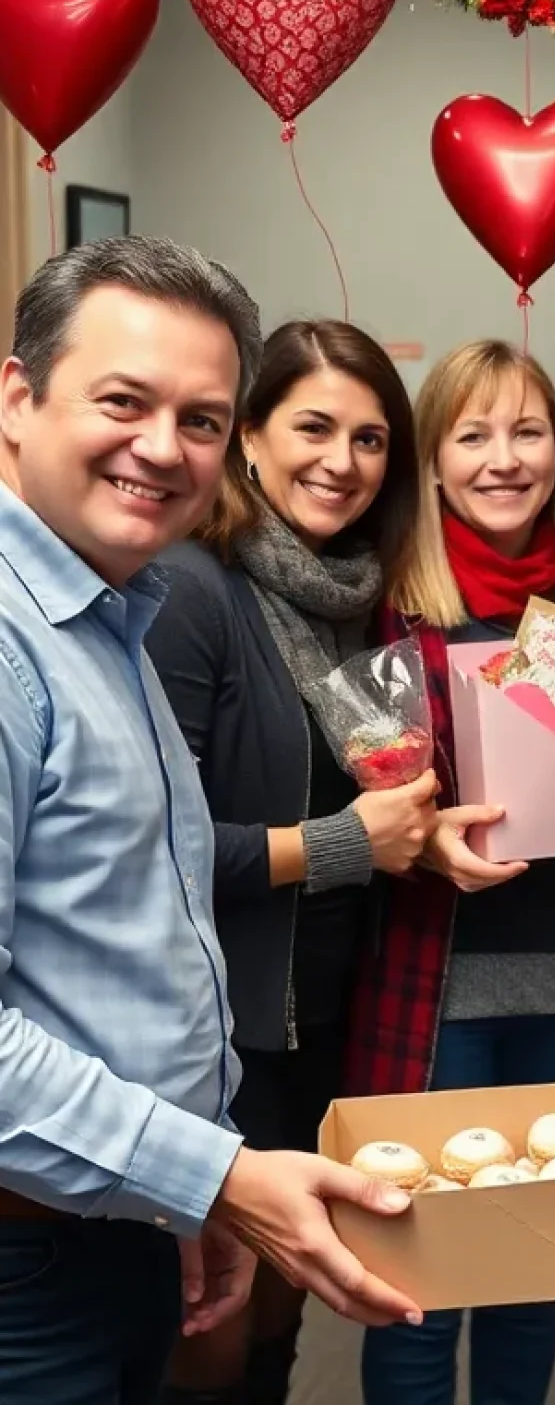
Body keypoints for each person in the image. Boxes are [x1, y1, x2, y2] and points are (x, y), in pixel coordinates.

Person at [0, 238, 422, 1405]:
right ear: (18, 399)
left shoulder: (114, 616)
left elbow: (145, 929)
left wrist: (190, 1178)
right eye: (124, 402)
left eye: (197, 417)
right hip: (26, 1260)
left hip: (124, 1214)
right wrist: (214, 1175)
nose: (161, 448)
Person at [349, 340, 555, 1405]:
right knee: (422, 1275)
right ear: (435, 461)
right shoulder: (395, 598)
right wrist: (424, 833)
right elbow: (352, 781)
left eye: (528, 431)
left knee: (534, 1264)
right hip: (436, 988)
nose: (505, 459)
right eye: (475, 434)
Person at [146, 321, 435, 1405]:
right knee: (213, 1327)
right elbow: (153, 850)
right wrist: (351, 844)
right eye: (312, 427)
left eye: (371, 441)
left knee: (285, 1307)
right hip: (221, 1030)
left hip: (336, 1009)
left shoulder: (367, 600)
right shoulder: (192, 590)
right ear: (251, 436)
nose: (342, 462)